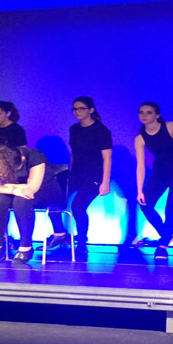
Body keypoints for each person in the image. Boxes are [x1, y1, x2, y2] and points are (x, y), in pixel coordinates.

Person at [45, 97, 111, 253]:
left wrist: (105, 182)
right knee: (52, 196)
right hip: (77, 172)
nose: (77, 112)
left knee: (78, 206)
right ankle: (59, 234)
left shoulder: (101, 130)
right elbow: (74, 152)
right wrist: (71, 173)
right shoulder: (74, 129)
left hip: (95, 174)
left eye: (81, 108)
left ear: (91, 110)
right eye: (75, 109)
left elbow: (107, 158)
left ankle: (81, 242)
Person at [0, 146, 63, 263]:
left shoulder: (35, 157)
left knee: (21, 200)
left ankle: (26, 246)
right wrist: (13, 190)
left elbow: (32, 187)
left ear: (22, 159)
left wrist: (7, 186)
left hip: (45, 191)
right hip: (17, 191)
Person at [134, 102, 173, 260]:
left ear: (157, 115)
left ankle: (162, 246)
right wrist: (139, 190)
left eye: (149, 112)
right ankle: (166, 235)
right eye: (141, 112)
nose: (144, 115)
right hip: (160, 172)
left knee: (171, 208)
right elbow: (140, 166)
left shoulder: (170, 126)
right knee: (145, 204)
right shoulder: (140, 138)